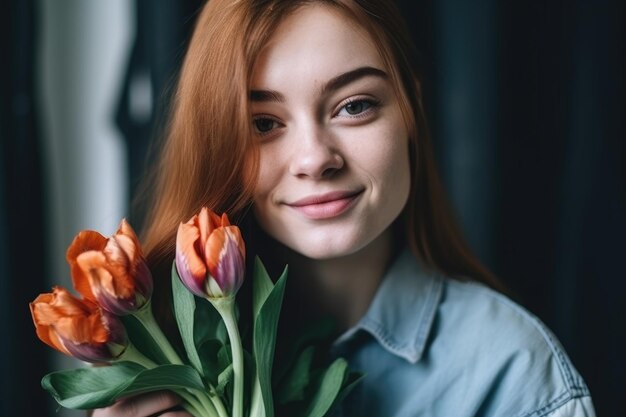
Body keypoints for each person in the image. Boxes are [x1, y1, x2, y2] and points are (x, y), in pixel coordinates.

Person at [93, 0, 596, 416]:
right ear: (218, 143)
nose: (315, 159)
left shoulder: (516, 376)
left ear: (411, 109)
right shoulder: (155, 356)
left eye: (354, 106)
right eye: (264, 123)